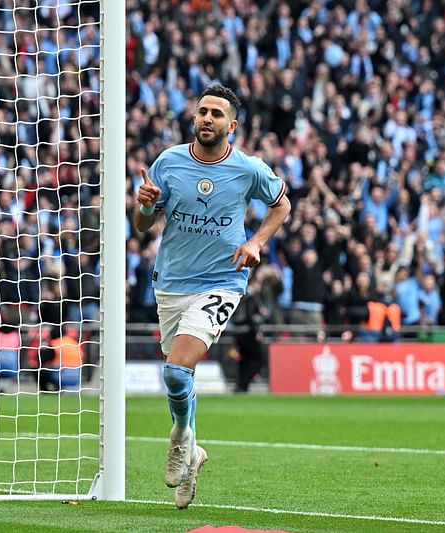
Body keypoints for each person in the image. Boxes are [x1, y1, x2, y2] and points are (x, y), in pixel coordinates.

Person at [133, 83, 290, 509]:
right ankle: (194, 454)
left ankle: (180, 440)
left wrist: (257, 241)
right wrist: (145, 205)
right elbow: (143, 225)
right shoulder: (169, 162)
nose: (207, 118)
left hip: (222, 281)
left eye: (217, 114)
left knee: (176, 371)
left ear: (232, 126)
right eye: (203, 111)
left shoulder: (248, 169)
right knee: (178, 379)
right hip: (171, 283)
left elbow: (282, 205)